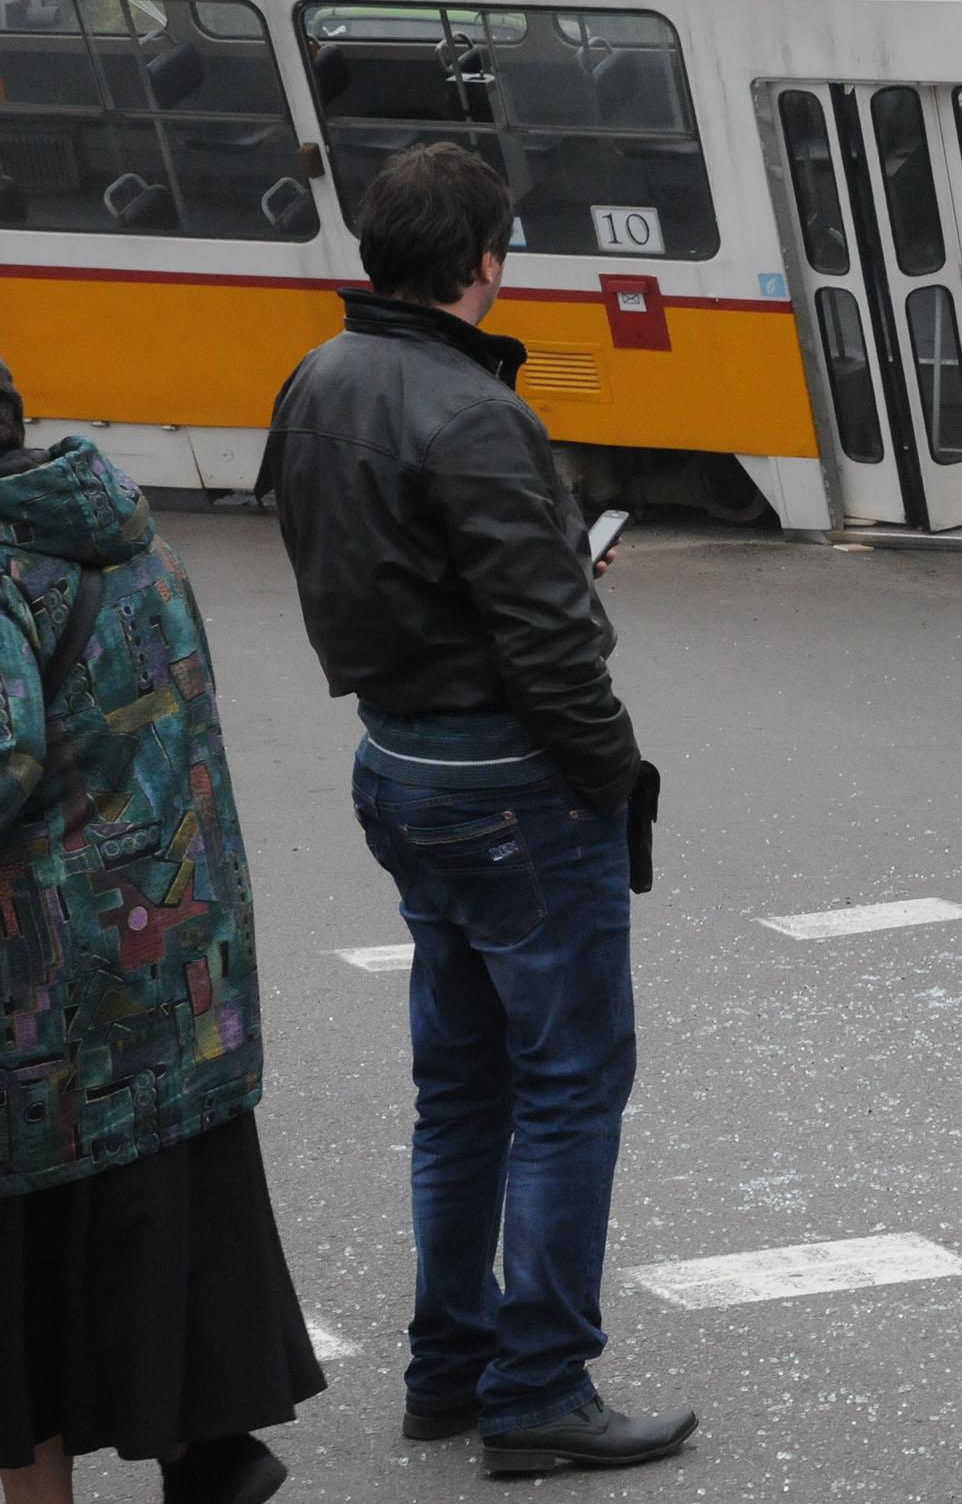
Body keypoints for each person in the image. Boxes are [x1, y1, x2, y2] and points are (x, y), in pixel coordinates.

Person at [261, 144, 693, 1476]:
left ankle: (446, 1368)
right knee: (568, 1086)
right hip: (510, 787)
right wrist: (613, 775)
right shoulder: (477, 413)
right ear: (485, 262)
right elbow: (554, 648)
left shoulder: (318, 377)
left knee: (459, 1088)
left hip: (398, 763)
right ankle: (541, 1386)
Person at [0, 360, 323, 1504]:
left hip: (42, 1011)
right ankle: (203, 1448)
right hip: (174, 980)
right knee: (152, 1241)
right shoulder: (134, 537)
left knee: (25, 1317)